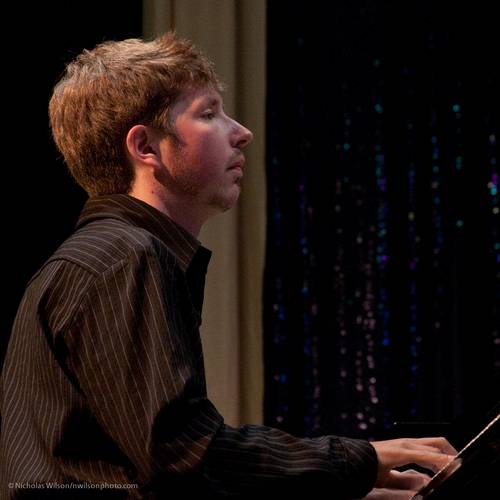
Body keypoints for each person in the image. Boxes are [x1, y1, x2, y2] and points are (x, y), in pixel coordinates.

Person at [0, 32, 456, 499]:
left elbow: (151, 476)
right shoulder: (125, 258)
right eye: (208, 113)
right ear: (146, 148)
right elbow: (184, 455)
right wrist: (358, 460)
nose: (242, 132)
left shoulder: (106, 256)